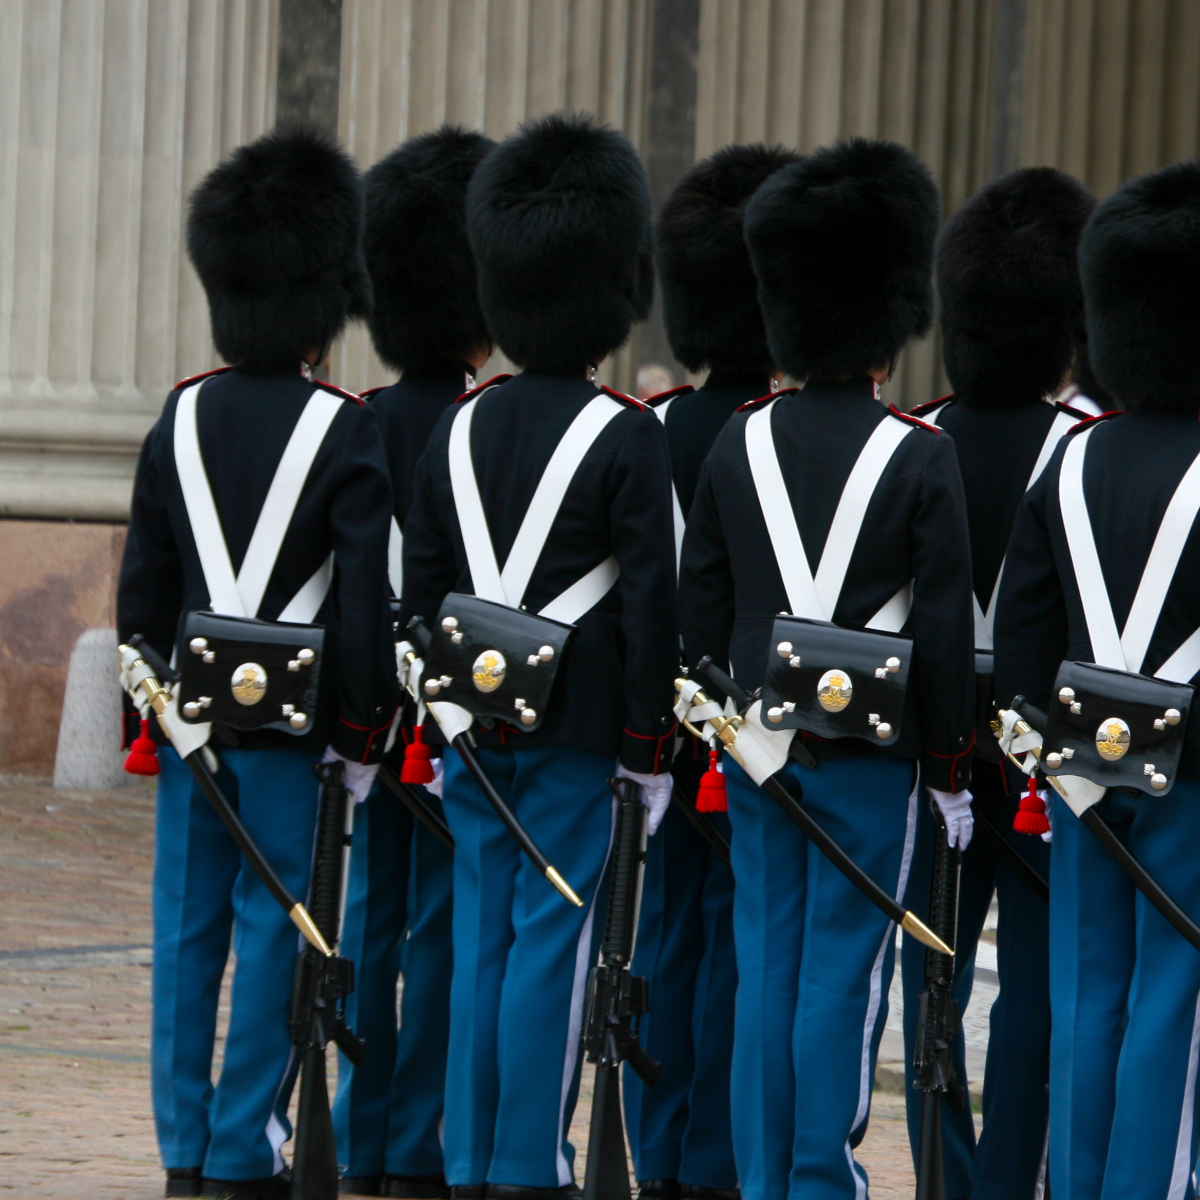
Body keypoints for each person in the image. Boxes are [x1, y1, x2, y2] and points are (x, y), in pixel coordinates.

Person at [679, 138, 975, 1200]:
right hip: (872, 754)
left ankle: (767, 1175)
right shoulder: (918, 454)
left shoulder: (737, 445)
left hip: (760, 746)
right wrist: (949, 768)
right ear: (887, 332)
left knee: (769, 964)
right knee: (840, 974)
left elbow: (700, 608)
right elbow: (940, 632)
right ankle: (817, 1176)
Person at [399, 113, 678, 1199]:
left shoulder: (458, 428)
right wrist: (648, 748)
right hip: (577, 729)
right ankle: (527, 1164)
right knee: (550, 946)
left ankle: (469, 1158)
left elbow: (420, 589)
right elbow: (650, 608)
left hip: (471, 727)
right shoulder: (626, 433)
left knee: (479, 938)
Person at [117, 127, 397, 1200]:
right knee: (278, 928)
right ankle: (244, 1147)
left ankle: (183, 1151)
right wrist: (364, 732)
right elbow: (365, 606)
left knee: (185, 935)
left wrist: (155, 696)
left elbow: (142, 590)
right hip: (297, 732)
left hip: (191, 722)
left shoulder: (178, 417)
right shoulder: (344, 429)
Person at [994, 161, 1200, 1200]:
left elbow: (1024, 629)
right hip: (1194, 779)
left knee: (1087, 991)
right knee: (1174, 997)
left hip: (1081, 762)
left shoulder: (1070, 458)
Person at [900, 167, 1097, 1200]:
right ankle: (1008, 1177)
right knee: (1036, 981)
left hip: (933, 738)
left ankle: (944, 1169)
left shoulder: (918, 433)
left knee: (927, 958)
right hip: (1041, 748)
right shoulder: (1081, 447)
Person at [624, 142, 797, 1200]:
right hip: (757, 727)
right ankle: (718, 1161)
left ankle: (659, 1146)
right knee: (741, 941)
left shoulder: (649, 428)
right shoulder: (783, 435)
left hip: (661, 727)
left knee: (664, 935)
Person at [334, 125, 495, 1199]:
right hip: (453, 712)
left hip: (365, 712)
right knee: (440, 925)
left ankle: (356, 1130)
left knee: (365, 915)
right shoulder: (490, 423)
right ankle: (413, 1141)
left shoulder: (359, 417)